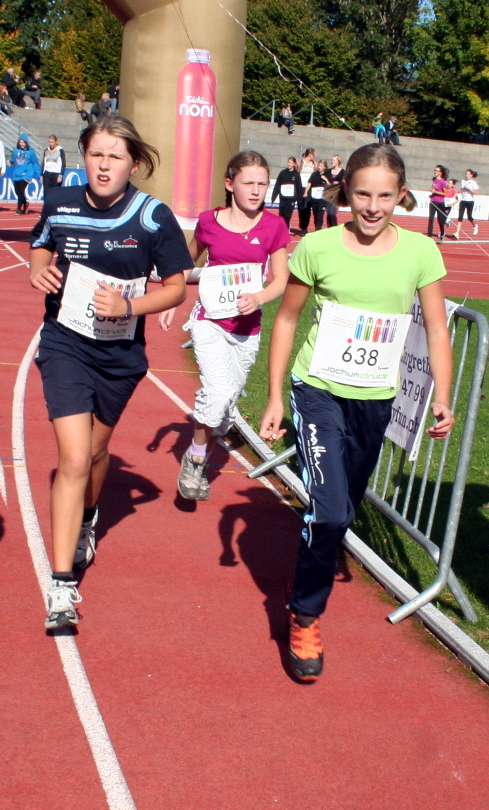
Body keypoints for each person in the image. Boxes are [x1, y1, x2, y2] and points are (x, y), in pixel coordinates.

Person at [260, 143, 454, 682]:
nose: (372, 207)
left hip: (375, 400)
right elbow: (286, 320)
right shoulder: (317, 246)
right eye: (362, 194)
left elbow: (437, 328)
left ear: (401, 195)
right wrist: (275, 396)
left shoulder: (420, 252)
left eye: (384, 196)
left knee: (343, 510)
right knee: (329, 512)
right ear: (345, 189)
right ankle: (305, 614)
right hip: (317, 390)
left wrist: (442, 395)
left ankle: (304, 579)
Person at [29, 115, 192, 629]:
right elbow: (41, 243)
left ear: (134, 164)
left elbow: (176, 286)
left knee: (97, 453)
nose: (104, 166)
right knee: (74, 457)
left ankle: (87, 518)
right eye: (96, 154)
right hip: (65, 343)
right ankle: (61, 586)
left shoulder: (152, 216)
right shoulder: (61, 202)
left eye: (115, 157)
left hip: (119, 355)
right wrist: (37, 268)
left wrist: (129, 307)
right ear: (84, 156)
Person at [159, 150, 289, 502]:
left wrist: (258, 298)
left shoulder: (274, 226)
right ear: (230, 184)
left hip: (247, 330)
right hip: (210, 322)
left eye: (262, 184)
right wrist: (171, 299)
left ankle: (201, 458)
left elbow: (281, 280)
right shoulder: (209, 222)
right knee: (217, 394)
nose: (256, 190)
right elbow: (186, 263)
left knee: (227, 407)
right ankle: (194, 458)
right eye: (249, 183)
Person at [10, 134, 40, 215]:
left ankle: (19, 209)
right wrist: (10, 161)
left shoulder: (31, 152)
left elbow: (35, 163)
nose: (22, 144)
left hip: (27, 174)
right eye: (20, 142)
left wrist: (39, 175)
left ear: (26, 142)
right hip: (17, 174)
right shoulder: (15, 150)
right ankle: (25, 203)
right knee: (17, 192)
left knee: (20, 190)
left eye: (23, 142)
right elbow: (13, 159)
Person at [271, 156, 303, 232]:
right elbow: (277, 185)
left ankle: (285, 229)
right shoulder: (283, 173)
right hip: (283, 198)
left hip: (291, 199)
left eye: (291, 163)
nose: (289, 164)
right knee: (281, 215)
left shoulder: (296, 174)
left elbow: (299, 187)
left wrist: (300, 200)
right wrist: (273, 196)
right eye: (288, 162)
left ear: (294, 164)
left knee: (287, 215)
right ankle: (281, 229)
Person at [303, 159, 330, 232]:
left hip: (322, 199)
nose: (319, 167)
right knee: (315, 215)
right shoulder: (314, 174)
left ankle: (318, 230)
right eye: (319, 165)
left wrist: (326, 179)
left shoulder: (327, 174)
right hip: (314, 198)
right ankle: (317, 228)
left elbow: (330, 186)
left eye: (321, 166)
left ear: (325, 167)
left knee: (320, 215)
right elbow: (309, 183)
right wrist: (306, 192)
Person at [455, 170, 479, 240]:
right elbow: (462, 190)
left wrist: (469, 189)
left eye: (468, 174)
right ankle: (457, 233)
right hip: (463, 200)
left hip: (470, 201)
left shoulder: (473, 183)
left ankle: (475, 225)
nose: (466, 175)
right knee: (460, 217)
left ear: (471, 175)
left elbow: (476, 193)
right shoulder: (463, 181)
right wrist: (457, 192)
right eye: (466, 174)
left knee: (469, 217)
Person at [427, 164, 448, 240]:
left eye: (437, 170)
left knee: (440, 220)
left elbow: (445, 194)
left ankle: (442, 233)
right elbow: (434, 189)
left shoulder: (443, 182)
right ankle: (429, 236)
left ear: (440, 172)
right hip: (433, 202)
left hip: (440, 203)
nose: (435, 172)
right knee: (431, 219)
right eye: (435, 170)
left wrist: (435, 192)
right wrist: (432, 194)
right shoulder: (434, 180)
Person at [298, 148, 317, 234]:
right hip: (301, 187)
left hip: (309, 188)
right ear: (310, 154)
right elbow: (296, 173)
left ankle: (305, 228)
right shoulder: (301, 162)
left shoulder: (314, 163)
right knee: (301, 207)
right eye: (314, 154)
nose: (315, 156)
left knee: (307, 207)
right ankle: (302, 225)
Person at [324, 155, 344, 227]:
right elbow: (322, 176)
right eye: (332, 160)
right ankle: (330, 228)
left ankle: (334, 227)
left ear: (338, 161)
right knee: (328, 213)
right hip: (329, 194)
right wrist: (326, 180)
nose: (332, 161)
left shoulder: (343, 172)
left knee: (332, 213)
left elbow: (345, 182)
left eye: (334, 160)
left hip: (337, 194)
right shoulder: (328, 171)